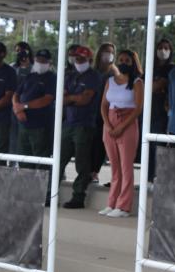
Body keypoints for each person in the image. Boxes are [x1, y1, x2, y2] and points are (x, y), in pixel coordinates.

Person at [99, 49, 144, 218]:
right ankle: (112, 203)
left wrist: (121, 127)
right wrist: (108, 125)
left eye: (127, 60)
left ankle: (124, 206)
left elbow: (138, 108)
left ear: (133, 63)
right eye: (121, 59)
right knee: (114, 167)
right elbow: (103, 105)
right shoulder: (110, 81)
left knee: (126, 167)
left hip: (127, 123)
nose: (124, 62)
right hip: (109, 123)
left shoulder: (138, 82)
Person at [58, 45, 101, 208]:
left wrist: (70, 97)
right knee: (59, 160)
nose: (77, 60)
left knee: (82, 163)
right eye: (76, 58)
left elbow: (85, 100)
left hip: (84, 125)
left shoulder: (94, 76)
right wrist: (74, 97)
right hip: (68, 123)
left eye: (81, 58)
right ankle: (50, 194)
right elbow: (62, 99)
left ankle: (78, 196)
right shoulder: (69, 75)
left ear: (89, 59)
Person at [13, 49, 57, 164]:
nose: (41, 62)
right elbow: (16, 94)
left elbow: (47, 99)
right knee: (23, 160)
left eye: (44, 60)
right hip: (23, 125)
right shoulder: (30, 76)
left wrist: (25, 106)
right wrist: (17, 109)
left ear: (49, 63)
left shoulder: (52, 78)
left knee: (40, 160)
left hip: (40, 126)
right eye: (39, 60)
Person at [148, 38, 175, 182]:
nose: (163, 50)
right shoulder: (150, 67)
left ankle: (158, 178)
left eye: (166, 48)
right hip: (148, 112)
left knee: (159, 146)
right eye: (160, 47)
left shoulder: (171, 69)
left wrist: (155, 85)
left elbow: (153, 87)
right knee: (148, 147)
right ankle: (148, 177)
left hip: (162, 114)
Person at [91, 43, 116, 182]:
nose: (108, 55)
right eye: (106, 52)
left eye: (111, 52)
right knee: (90, 144)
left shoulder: (114, 74)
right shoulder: (93, 73)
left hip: (106, 114)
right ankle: (88, 171)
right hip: (90, 114)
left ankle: (95, 171)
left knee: (101, 145)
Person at [11, 42, 34, 154]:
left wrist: (27, 65)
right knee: (14, 137)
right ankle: (13, 162)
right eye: (18, 50)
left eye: (23, 50)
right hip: (14, 108)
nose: (20, 53)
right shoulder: (12, 68)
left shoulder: (35, 68)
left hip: (30, 109)